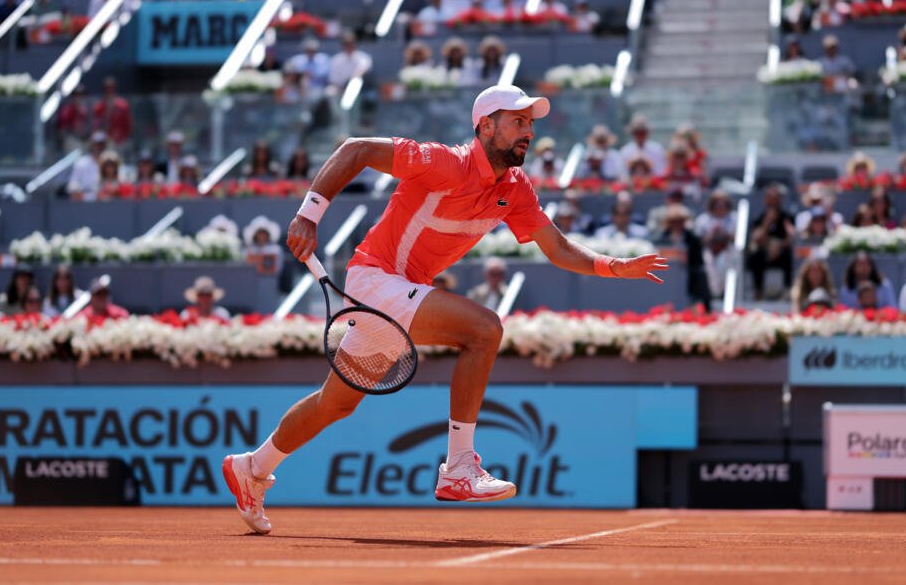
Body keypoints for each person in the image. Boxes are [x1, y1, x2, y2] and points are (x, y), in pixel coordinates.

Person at [223, 84, 669, 532]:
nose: (528, 131)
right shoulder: (444, 162)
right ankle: (459, 467)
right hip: (375, 281)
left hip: (400, 294)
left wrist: (613, 266)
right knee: (483, 330)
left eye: (530, 123)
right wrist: (308, 214)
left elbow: (558, 248)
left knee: (334, 405)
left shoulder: (515, 189)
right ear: (486, 126)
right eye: (518, 121)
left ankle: (252, 467)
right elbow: (357, 148)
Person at [652, 204, 710, 309]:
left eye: (680, 221)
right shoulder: (662, 238)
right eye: (673, 221)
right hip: (666, 275)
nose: (677, 225)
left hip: (689, 276)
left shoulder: (693, 239)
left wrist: (685, 262)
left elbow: (698, 262)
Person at [747, 184, 795, 300]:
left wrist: (779, 246)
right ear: (766, 200)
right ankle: (758, 291)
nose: (773, 202)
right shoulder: (759, 218)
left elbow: (792, 238)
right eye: (770, 198)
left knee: (788, 254)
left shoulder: (787, 217)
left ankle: (787, 290)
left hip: (781, 252)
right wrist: (767, 223)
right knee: (756, 256)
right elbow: (757, 239)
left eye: (776, 198)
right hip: (765, 252)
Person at [66, 131, 108, 201]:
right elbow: (72, 184)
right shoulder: (81, 163)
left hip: (105, 201)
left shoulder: (111, 163)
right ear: (92, 145)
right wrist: (77, 191)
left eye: (101, 144)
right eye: (96, 144)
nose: (99, 147)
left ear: (105, 145)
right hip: (84, 201)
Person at [91, 77, 132, 147]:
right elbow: (96, 128)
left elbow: (128, 126)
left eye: (111, 88)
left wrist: (122, 137)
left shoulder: (123, 105)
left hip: (121, 142)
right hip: (104, 143)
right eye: (107, 88)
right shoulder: (98, 107)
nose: (109, 91)